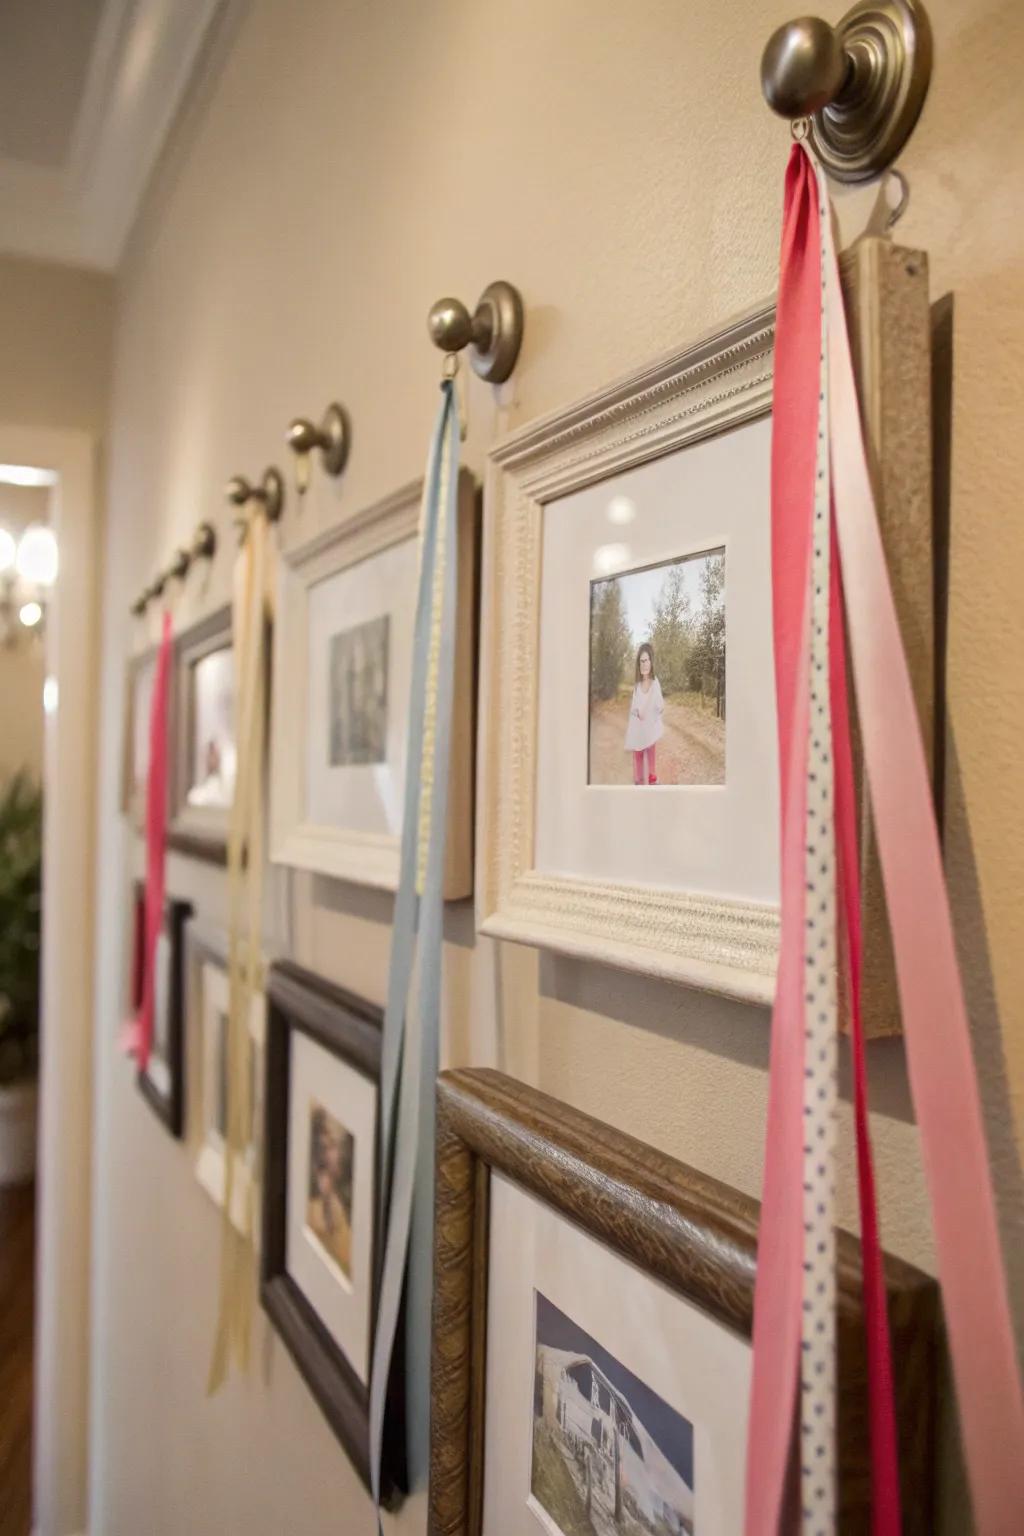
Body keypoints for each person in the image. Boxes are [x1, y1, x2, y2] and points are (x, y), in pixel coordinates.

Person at [624, 642, 663, 784]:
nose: (644, 664)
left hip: (649, 728)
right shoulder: (637, 686)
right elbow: (634, 709)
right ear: (638, 664)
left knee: (651, 749)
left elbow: (660, 706)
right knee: (638, 754)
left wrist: (652, 709)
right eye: (641, 661)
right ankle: (638, 782)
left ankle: (652, 779)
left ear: (651, 662)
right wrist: (637, 712)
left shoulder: (654, 683)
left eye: (646, 660)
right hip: (638, 729)